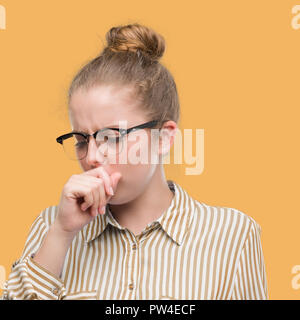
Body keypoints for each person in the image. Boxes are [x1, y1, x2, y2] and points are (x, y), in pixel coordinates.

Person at [1, 23, 268, 300]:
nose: (91, 156)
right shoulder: (51, 227)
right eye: (81, 140)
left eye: (111, 137)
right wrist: (61, 234)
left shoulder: (233, 234)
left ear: (163, 138)